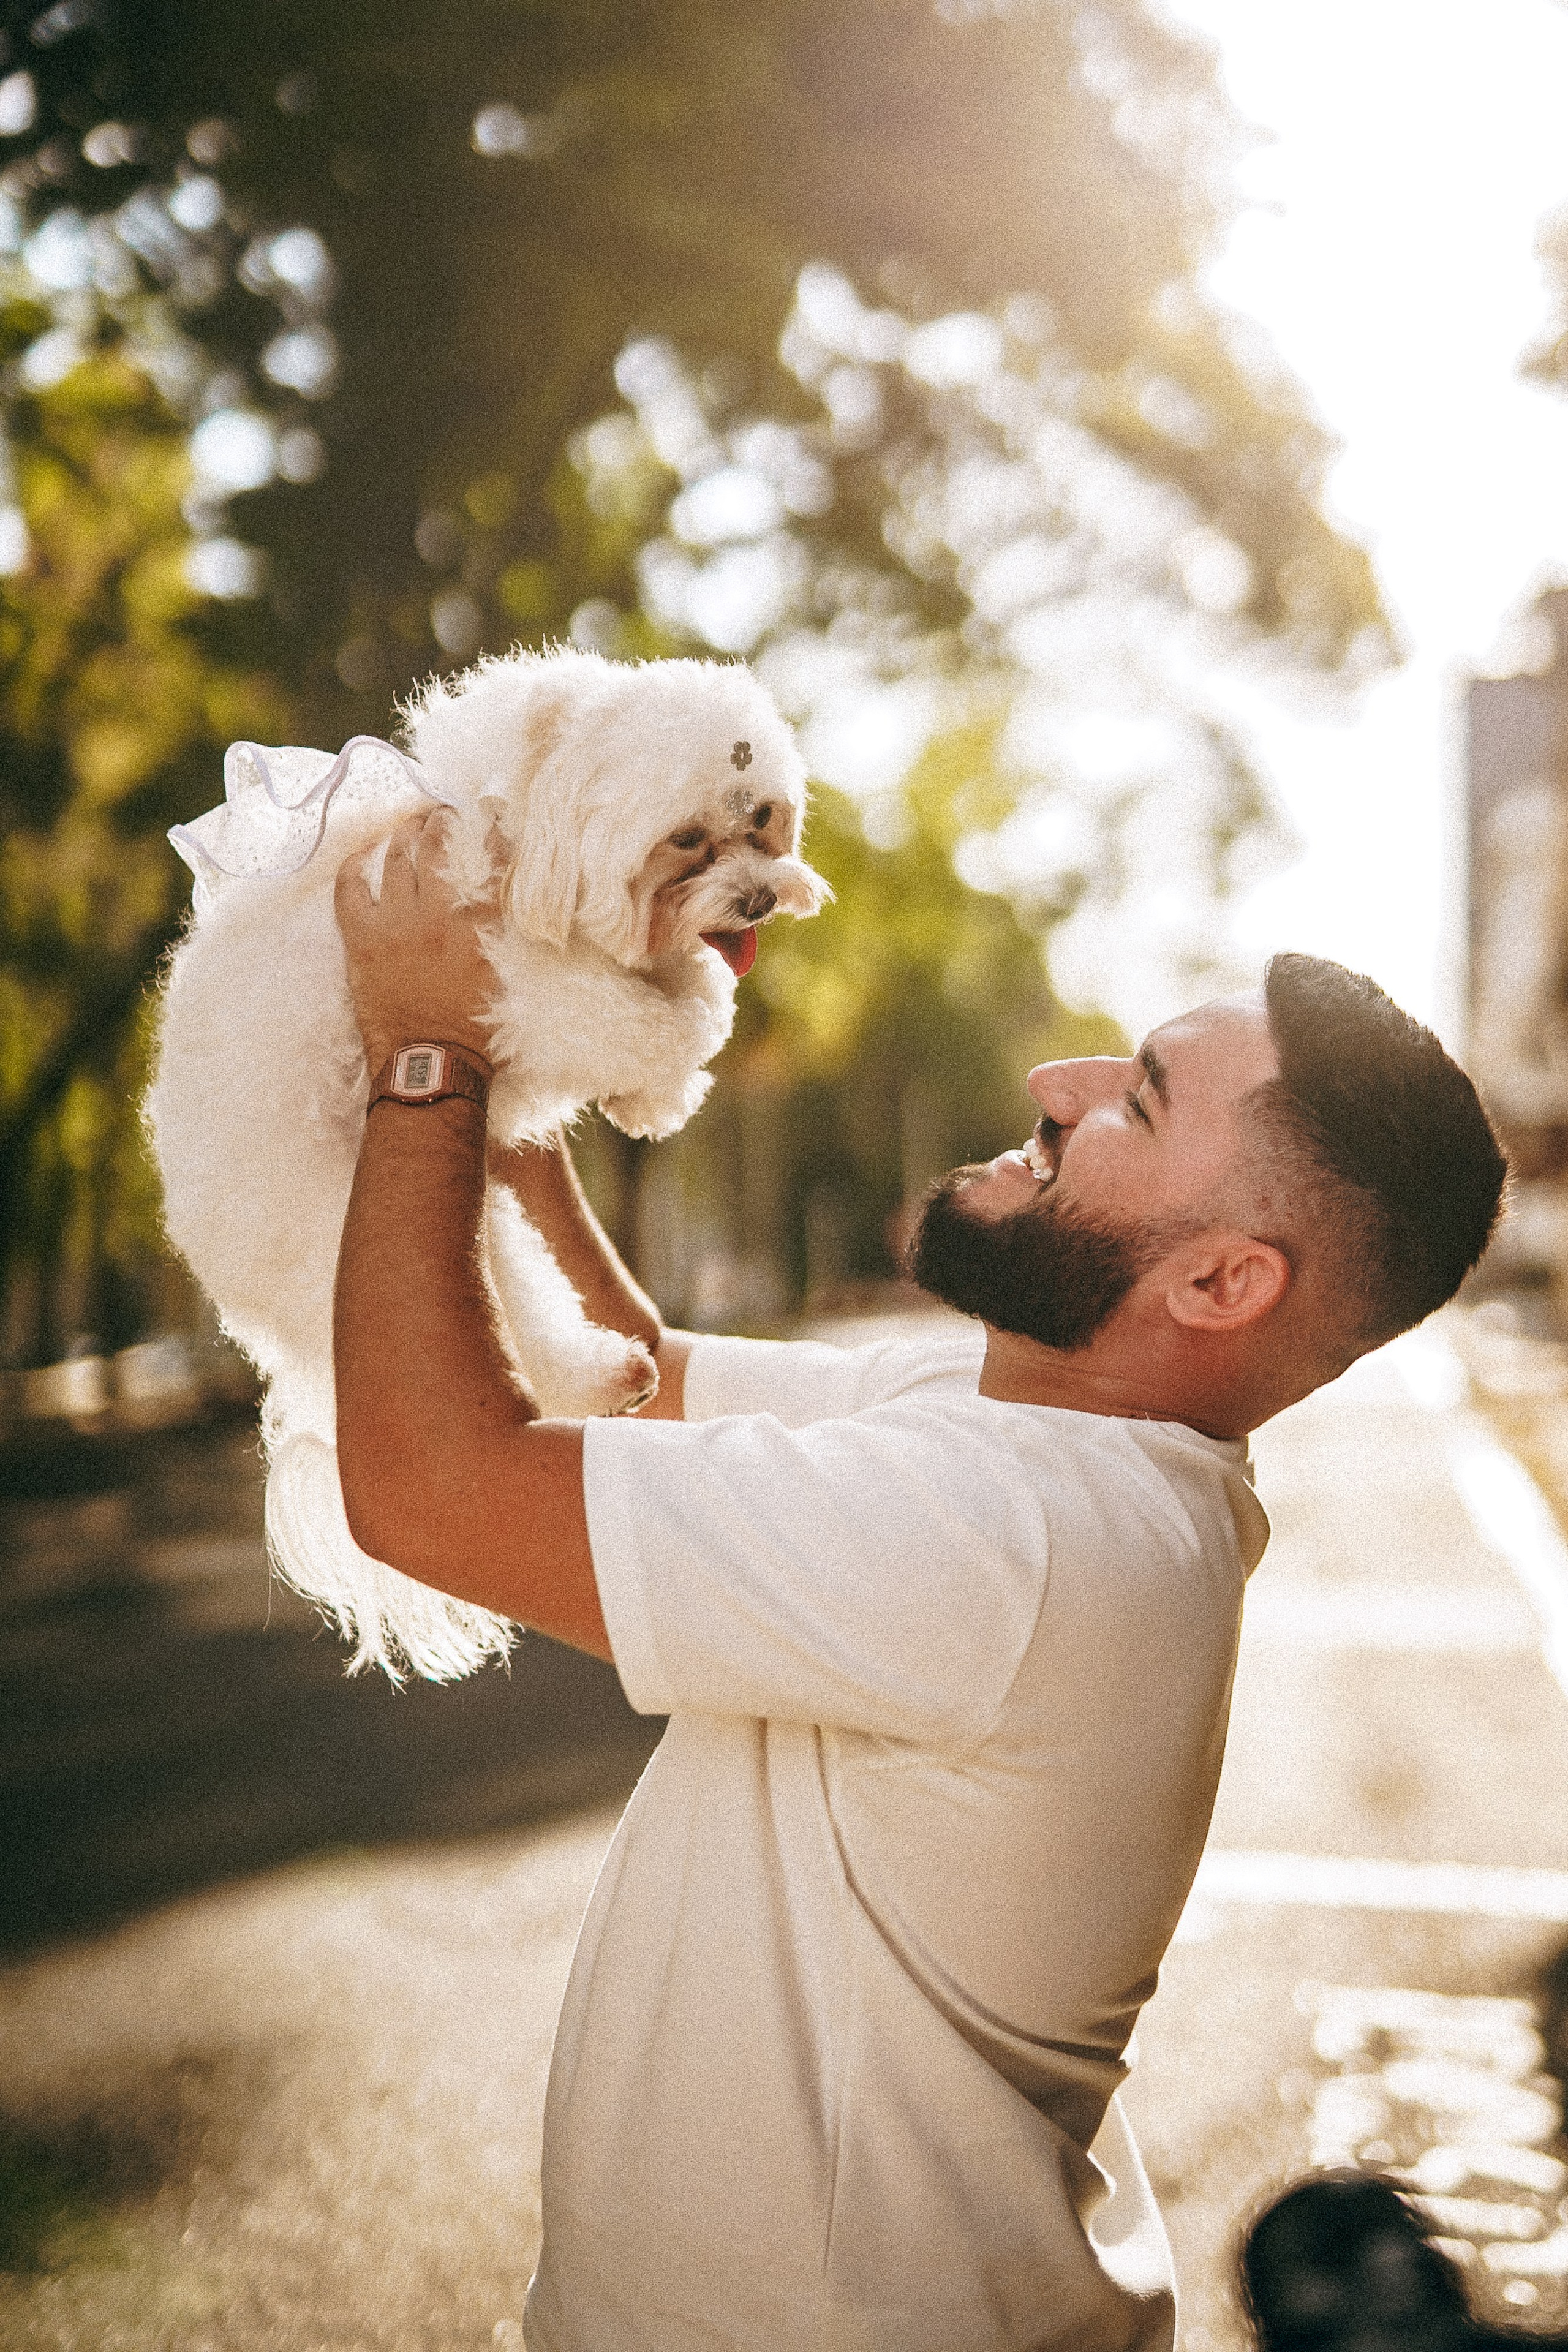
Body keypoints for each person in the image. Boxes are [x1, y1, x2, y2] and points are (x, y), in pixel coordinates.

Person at [330, 809, 1508, 2352]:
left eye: (1134, 1105)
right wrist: (523, 1099)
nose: (1055, 1084)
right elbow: (635, 1380)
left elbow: (428, 1492)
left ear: (1219, 1282)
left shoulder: (1021, 1531)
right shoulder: (1025, 1433)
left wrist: (424, 1057)